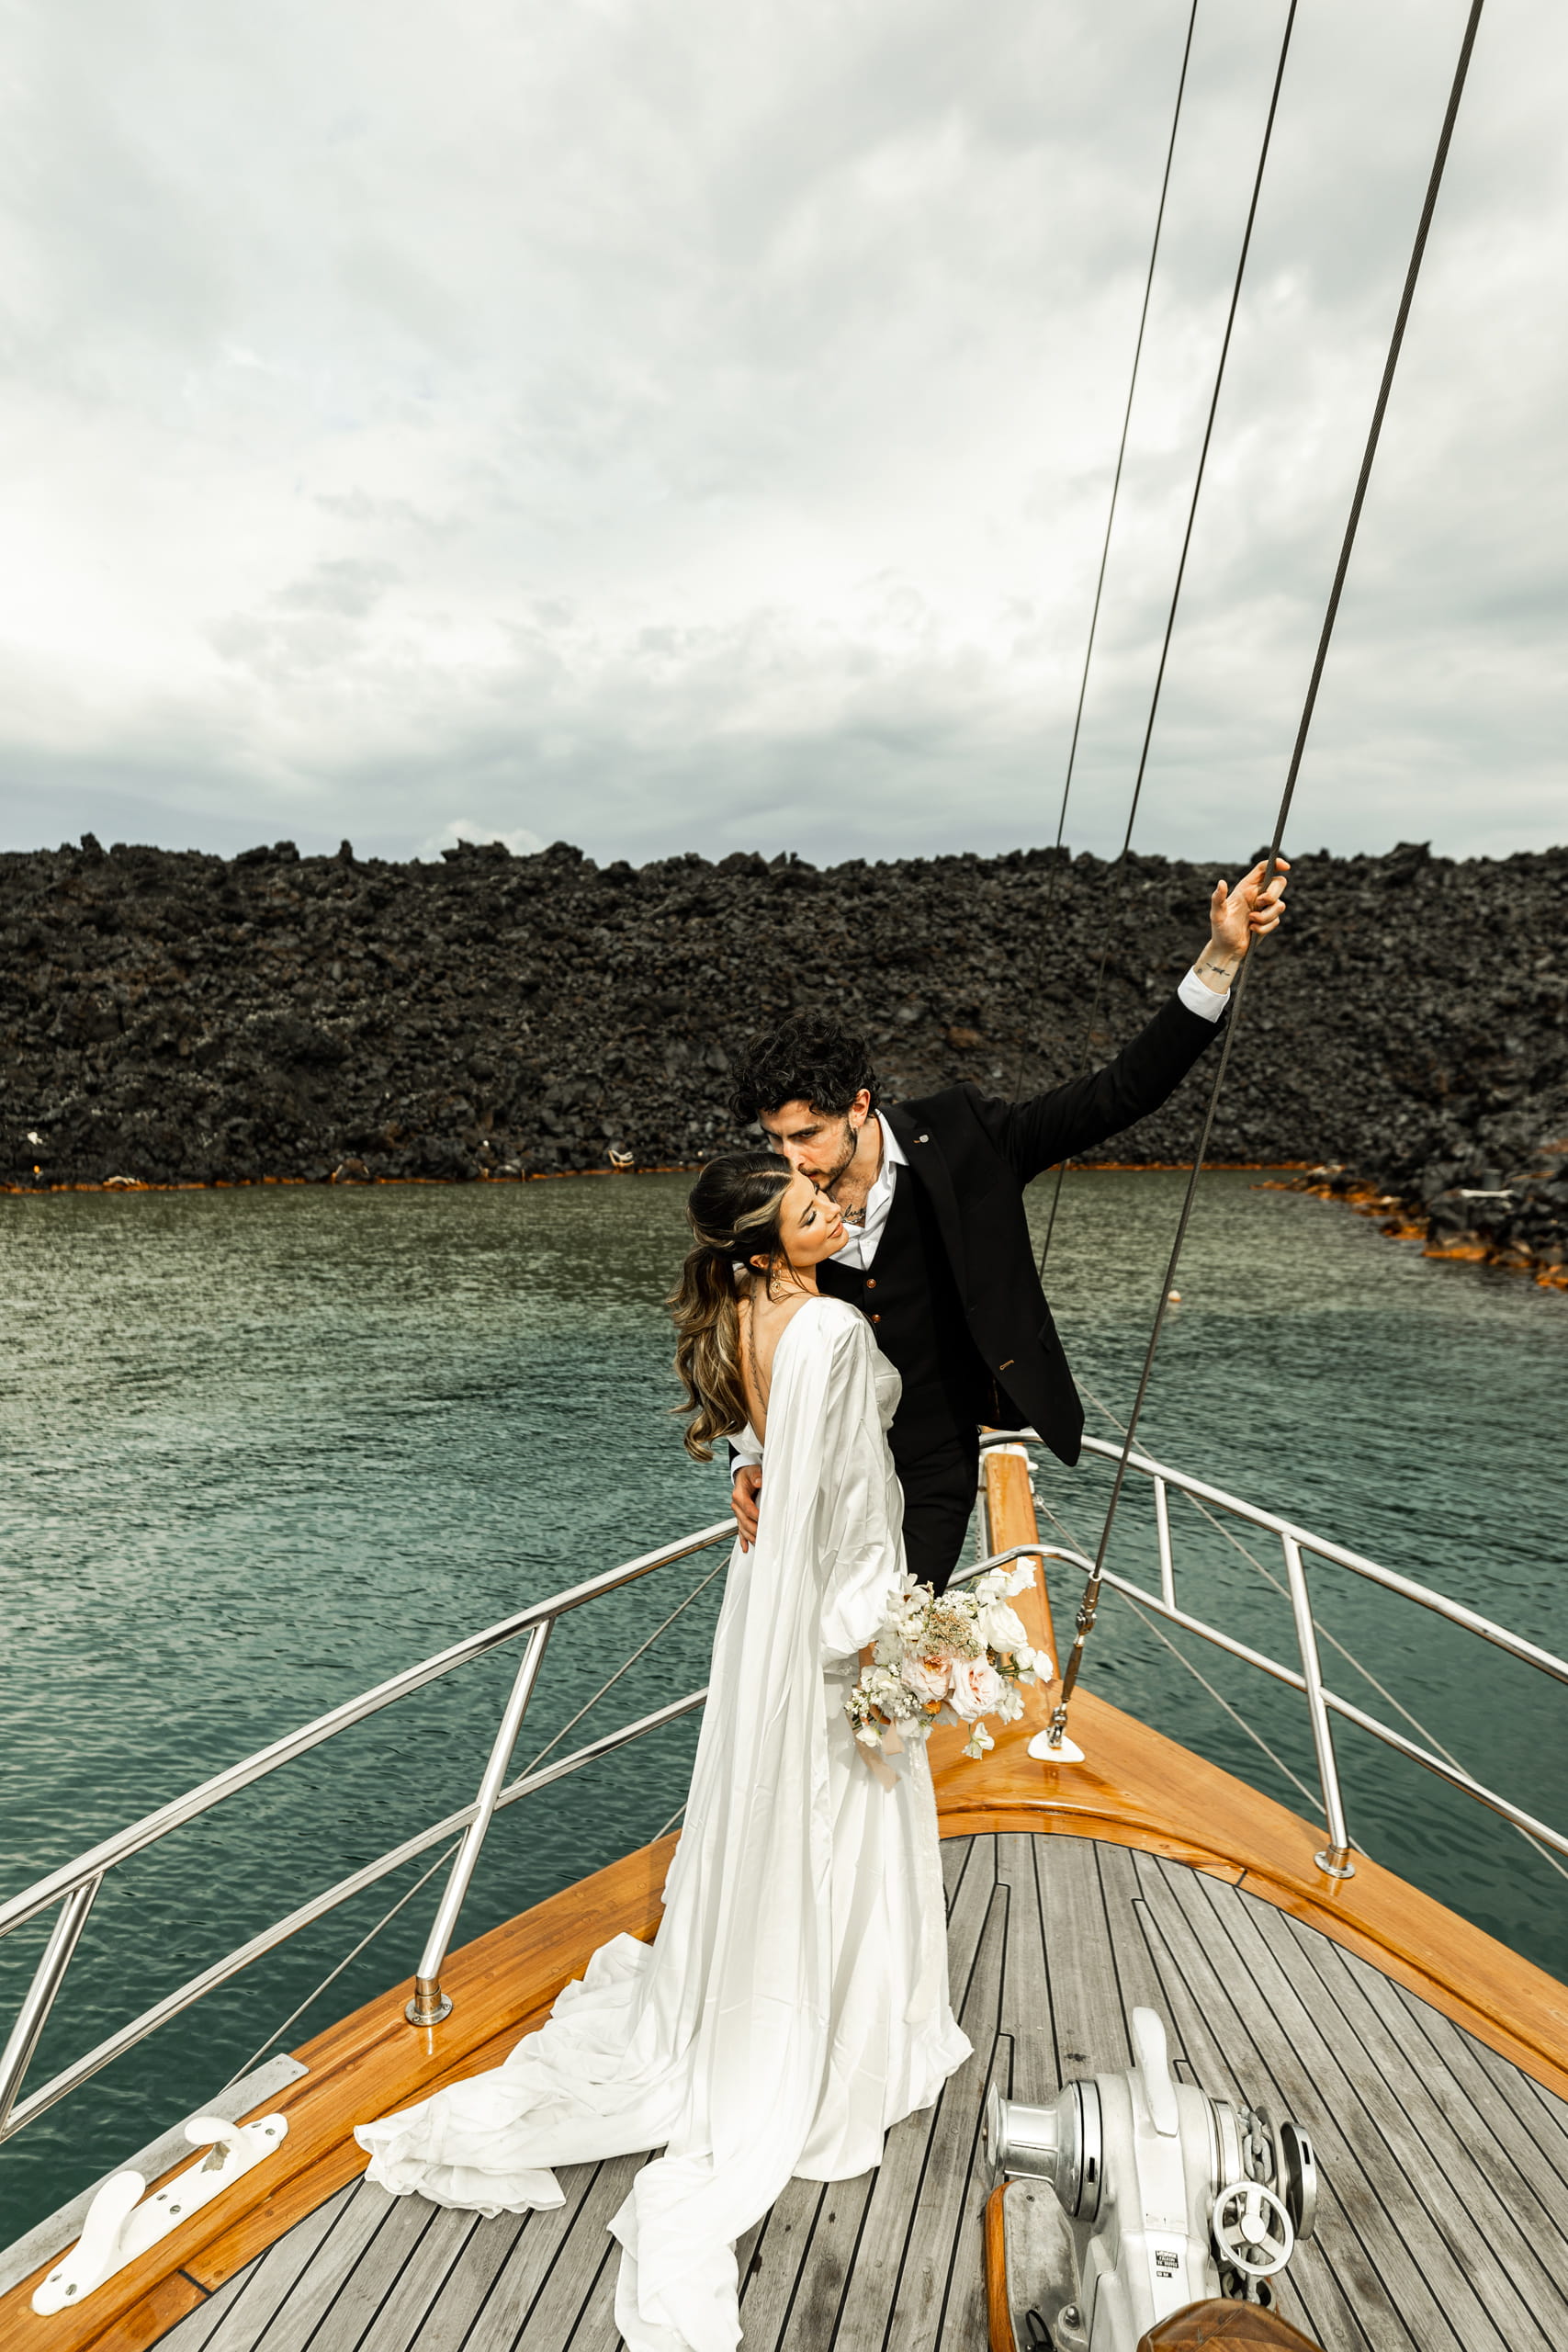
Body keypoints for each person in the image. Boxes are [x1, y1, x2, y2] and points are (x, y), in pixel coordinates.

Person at [355, 1153, 969, 2352]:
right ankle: (831, 2027)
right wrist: (888, 1642)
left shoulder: (741, 1320)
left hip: (761, 1603)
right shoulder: (833, 1331)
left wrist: (755, 1482)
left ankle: (748, 1994)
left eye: (825, 1195)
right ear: (766, 1244)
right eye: (810, 1208)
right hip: (824, 1615)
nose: (833, 1210)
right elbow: (852, 1509)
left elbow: (768, 1463)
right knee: (836, 1806)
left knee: (765, 1806)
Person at [727, 857, 1289, 1590]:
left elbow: (1120, 1093)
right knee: (808, 1638)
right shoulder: (775, 1193)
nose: (789, 1159)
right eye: (775, 1140)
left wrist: (1217, 959)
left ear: (859, 1106)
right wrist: (747, 1456)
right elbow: (745, 1322)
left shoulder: (968, 1137)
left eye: (805, 1135)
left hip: (933, 1459)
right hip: (813, 1468)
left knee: (892, 1630)